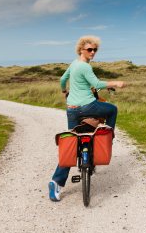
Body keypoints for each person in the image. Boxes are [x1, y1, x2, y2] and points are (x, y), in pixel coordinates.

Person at [48, 35, 124, 202]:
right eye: (89, 49)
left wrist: (64, 92)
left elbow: (62, 80)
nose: (92, 52)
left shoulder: (74, 64)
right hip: (88, 106)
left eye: (95, 50)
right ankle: (108, 138)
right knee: (112, 110)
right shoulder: (84, 67)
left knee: (71, 143)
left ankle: (56, 182)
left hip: (72, 110)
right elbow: (97, 84)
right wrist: (115, 83)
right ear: (81, 49)